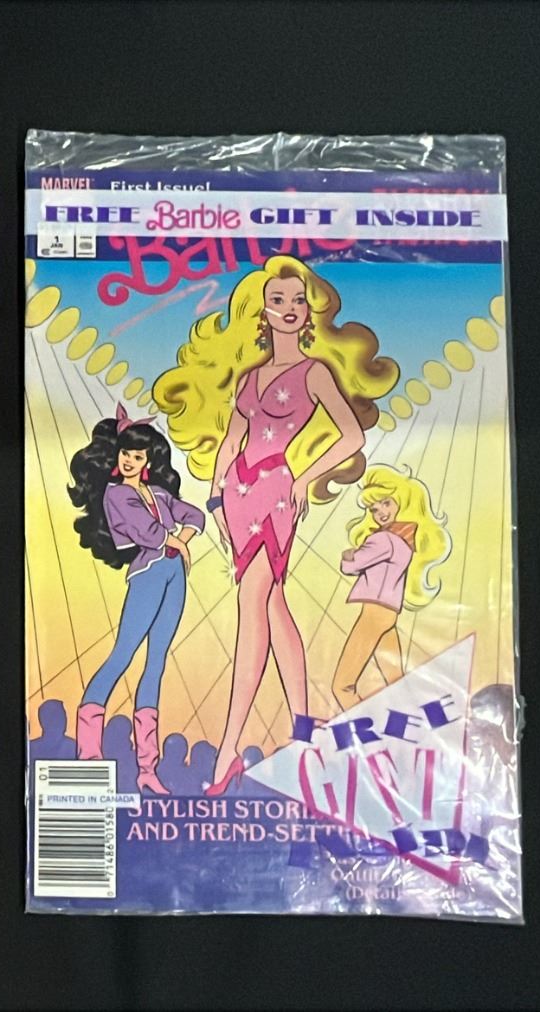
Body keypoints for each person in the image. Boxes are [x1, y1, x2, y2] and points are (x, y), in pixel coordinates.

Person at [154, 255, 397, 795]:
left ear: (308, 312)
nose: (288, 309)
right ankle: (304, 729)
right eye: (277, 301)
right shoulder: (249, 377)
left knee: (252, 607)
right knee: (273, 606)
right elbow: (231, 442)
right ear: (262, 312)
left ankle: (228, 752)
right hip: (236, 496)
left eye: (296, 301)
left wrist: (304, 477)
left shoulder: (315, 373)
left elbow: (352, 436)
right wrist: (215, 501)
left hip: (276, 494)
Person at [66, 407, 203, 794]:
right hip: (148, 575)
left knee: (156, 662)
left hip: (174, 576)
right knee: (122, 655)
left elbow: (194, 515)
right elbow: (149, 534)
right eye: (125, 453)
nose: (129, 460)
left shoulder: (158, 493)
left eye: (137, 456)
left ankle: (147, 768)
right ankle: (89, 755)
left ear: (147, 461)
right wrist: (177, 542)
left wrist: (181, 541)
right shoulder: (116, 494)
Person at [331, 464, 452, 709]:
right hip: (388, 615)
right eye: (374, 509)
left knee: (342, 686)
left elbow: (351, 565)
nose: (381, 513)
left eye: (386, 503)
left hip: (374, 614)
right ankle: (419, 722)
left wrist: (347, 555)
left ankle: (364, 728)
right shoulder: (405, 540)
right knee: (397, 684)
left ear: (402, 499)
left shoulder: (384, 539)